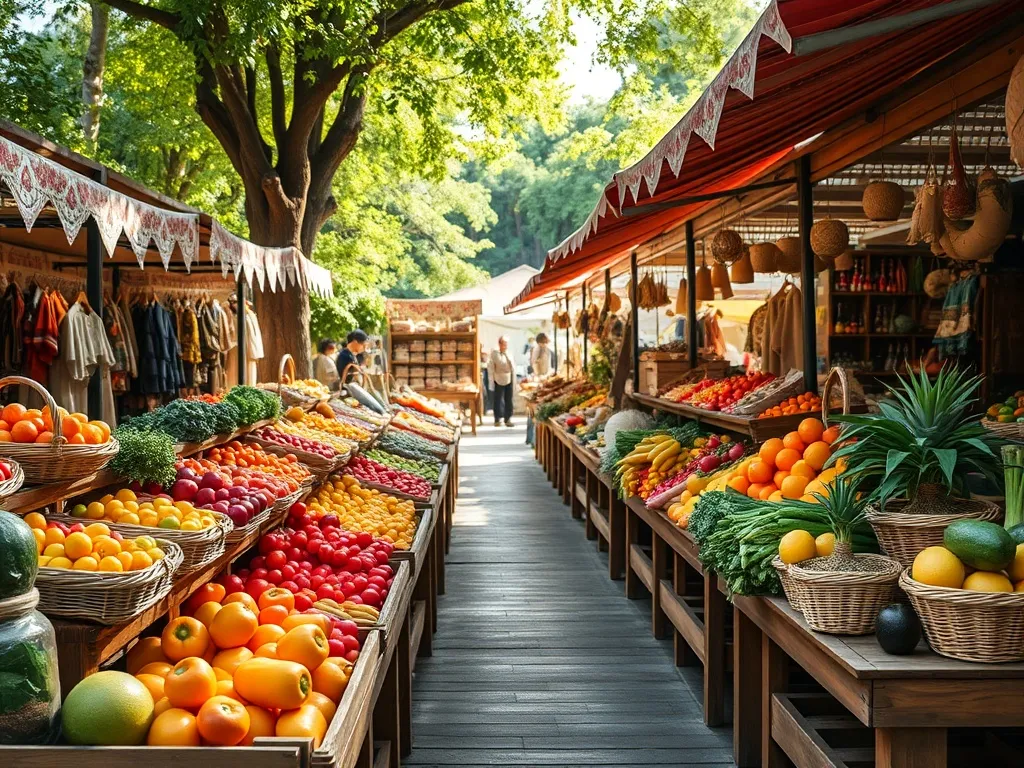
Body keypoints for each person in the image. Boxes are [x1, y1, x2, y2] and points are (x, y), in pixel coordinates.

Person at [487, 335, 516, 427]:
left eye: (506, 344)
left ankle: (508, 418)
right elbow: (496, 365)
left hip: (509, 377)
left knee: (509, 399)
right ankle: (497, 419)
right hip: (498, 377)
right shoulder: (495, 353)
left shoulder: (508, 353)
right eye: (504, 344)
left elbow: (512, 366)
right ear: (500, 344)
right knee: (498, 399)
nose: (506, 346)